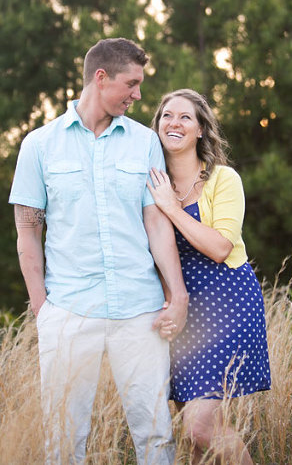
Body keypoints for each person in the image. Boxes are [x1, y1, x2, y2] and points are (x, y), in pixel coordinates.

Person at [9, 38, 188, 464]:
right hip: (69, 310)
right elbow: (27, 230)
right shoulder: (39, 144)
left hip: (140, 310)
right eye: (132, 83)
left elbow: (157, 223)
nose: (139, 95)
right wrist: (42, 308)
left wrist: (177, 294)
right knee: (64, 437)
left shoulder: (145, 142)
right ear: (100, 77)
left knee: (155, 434)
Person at [146, 88, 271, 464]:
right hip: (183, 311)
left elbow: (220, 247)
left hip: (227, 302)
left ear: (201, 130)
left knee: (201, 426)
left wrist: (171, 207)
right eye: (167, 115)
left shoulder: (223, 179)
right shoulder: (152, 184)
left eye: (186, 117)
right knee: (191, 434)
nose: (175, 123)